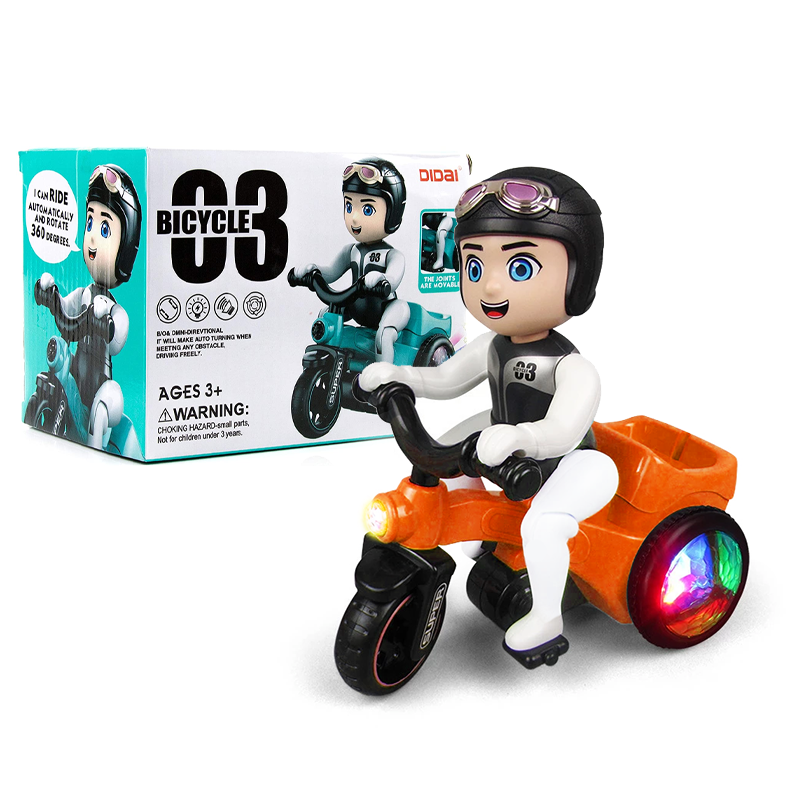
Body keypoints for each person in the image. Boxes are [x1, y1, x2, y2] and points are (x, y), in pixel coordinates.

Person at [359, 167, 619, 668]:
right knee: (441, 462)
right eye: (474, 266)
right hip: (506, 453)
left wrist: (523, 437)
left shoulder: (573, 368)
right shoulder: (491, 346)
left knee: (544, 526)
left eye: (519, 267)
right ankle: (486, 544)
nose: (490, 287)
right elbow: (444, 379)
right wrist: (399, 375)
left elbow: (563, 429)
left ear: (577, 277)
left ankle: (546, 617)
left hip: (574, 464)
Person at [38, 164, 141, 453]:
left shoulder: (115, 310)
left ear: (125, 247)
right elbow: (66, 310)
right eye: (90, 223)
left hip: (102, 391)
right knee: (59, 350)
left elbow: (118, 335)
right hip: (77, 378)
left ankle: (94, 452)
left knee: (103, 404)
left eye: (105, 229)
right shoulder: (83, 294)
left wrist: (107, 324)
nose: (93, 237)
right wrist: (51, 295)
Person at [293, 158, 409, 363]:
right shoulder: (351, 251)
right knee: (325, 317)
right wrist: (312, 271)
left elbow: (392, 279)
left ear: (392, 214)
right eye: (349, 206)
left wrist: (380, 279)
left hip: (388, 309)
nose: (354, 218)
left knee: (383, 335)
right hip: (356, 306)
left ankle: (385, 375)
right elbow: (331, 272)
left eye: (367, 209)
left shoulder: (393, 255)